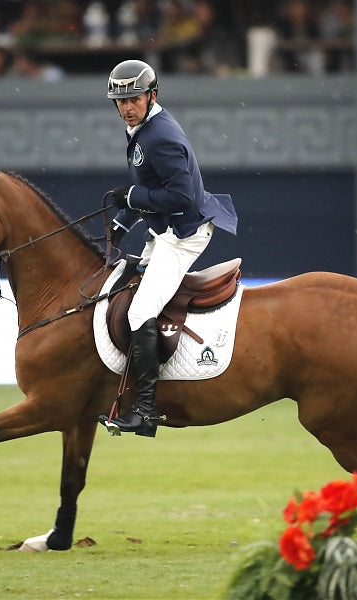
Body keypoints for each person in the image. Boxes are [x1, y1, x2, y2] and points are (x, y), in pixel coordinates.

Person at [102, 59, 238, 437]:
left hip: (183, 234)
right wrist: (123, 218)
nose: (127, 107)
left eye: (135, 98)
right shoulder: (143, 129)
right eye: (121, 101)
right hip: (164, 230)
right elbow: (154, 189)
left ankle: (146, 411)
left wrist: (130, 197)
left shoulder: (158, 136)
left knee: (139, 311)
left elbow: (183, 196)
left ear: (152, 96)